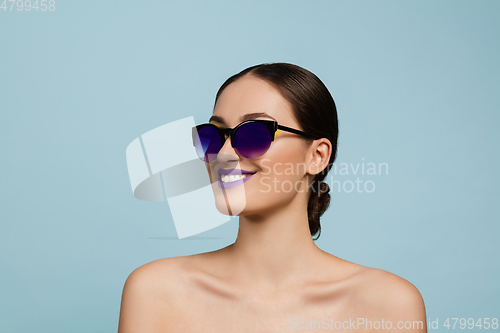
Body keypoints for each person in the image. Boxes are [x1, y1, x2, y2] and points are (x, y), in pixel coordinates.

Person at [118, 63, 427, 332]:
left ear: (317, 156)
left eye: (254, 134)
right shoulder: (155, 292)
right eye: (212, 137)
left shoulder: (389, 305)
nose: (224, 154)